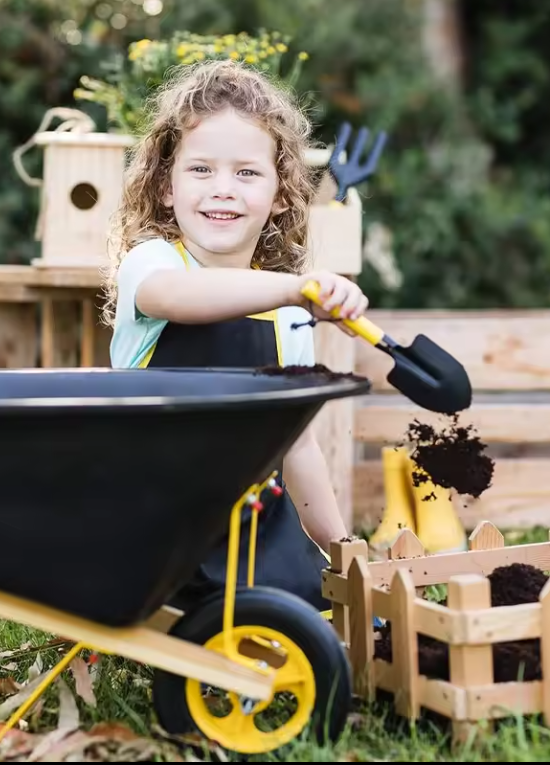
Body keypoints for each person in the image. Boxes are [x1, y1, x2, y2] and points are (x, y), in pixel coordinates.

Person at [100, 58, 369, 614]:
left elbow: (296, 444)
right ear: (166, 187)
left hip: (249, 526)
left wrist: (342, 549)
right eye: (201, 170)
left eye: (247, 173)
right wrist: (293, 288)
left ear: (278, 197)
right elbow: (174, 297)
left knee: (310, 609)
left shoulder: (285, 318)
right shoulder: (153, 264)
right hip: (153, 524)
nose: (223, 189)